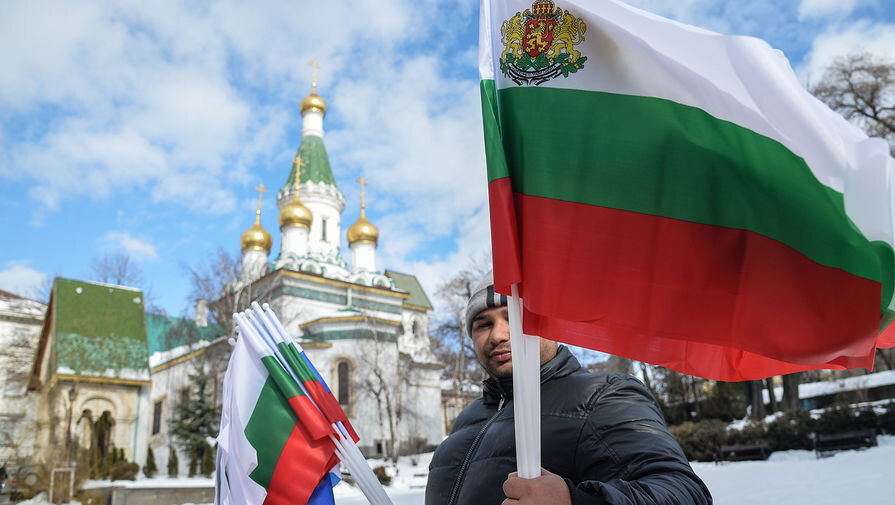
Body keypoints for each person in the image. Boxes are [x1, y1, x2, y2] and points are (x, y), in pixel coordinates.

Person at [426, 272, 712, 505]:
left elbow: (684, 493)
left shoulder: (603, 394)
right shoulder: (468, 417)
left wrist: (572, 500)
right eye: (483, 324)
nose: (498, 335)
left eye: (514, 316)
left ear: (548, 324)